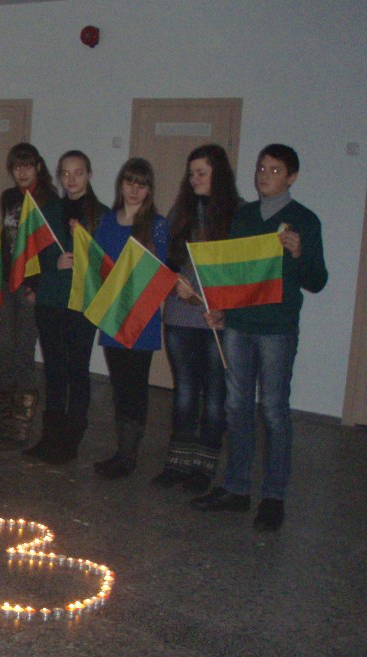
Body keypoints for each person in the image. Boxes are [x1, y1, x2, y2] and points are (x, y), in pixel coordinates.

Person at [192, 144, 327, 531]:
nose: (265, 175)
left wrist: (299, 253)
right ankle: (236, 488)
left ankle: (273, 496)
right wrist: (221, 309)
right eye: (261, 168)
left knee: (272, 409)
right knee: (236, 406)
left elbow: (317, 281)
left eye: (275, 170)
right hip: (239, 325)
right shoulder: (245, 216)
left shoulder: (304, 220)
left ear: (292, 177)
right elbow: (235, 274)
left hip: (277, 328)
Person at [153, 144, 240, 492]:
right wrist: (174, 279)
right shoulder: (180, 212)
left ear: (219, 173)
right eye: (191, 174)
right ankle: (178, 462)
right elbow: (164, 261)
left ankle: (204, 467)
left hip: (217, 318)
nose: (194, 179)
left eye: (201, 173)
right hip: (179, 315)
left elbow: (242, 274)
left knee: (215, 395)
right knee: (185, 392)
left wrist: (222, 307)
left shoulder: (239, 213)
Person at [28, 150, 109, 464]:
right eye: (65, 173)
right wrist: (54, 262)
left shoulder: (102, 215)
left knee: (77, 370)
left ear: (89, 174)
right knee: (54, 370)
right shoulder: (48, 211)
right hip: (50, 299)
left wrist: (84, 242)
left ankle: (71, 438)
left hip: (82, 303)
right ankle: (50, 435)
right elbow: (35, 251)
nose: (71, 179)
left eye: (78, 172)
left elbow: (106, 262)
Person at [92, 158, 170, 479]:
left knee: (135, 388)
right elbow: (97, 264)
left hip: (141, 317)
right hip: (113, 315)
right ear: (120, 184)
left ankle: (129, 456)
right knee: (119, 387)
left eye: (142, 184)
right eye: (129, 182)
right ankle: (121, 451)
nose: (135, 190)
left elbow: (161, 271)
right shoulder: (107, 221)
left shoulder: (157, 225)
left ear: (149, 189)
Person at [0, 143, 58, 447]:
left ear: (38, 167)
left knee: (23, 350)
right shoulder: (8, 197)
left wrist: (38, 286)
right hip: (5, 281)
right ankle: (4, 419)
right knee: (4, 347)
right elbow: (4, 240)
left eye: (27, 166)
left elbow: (50, 248)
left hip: (30, 286)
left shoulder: (49, 200)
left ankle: (21, 423)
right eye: (17, 166)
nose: (22, 172)